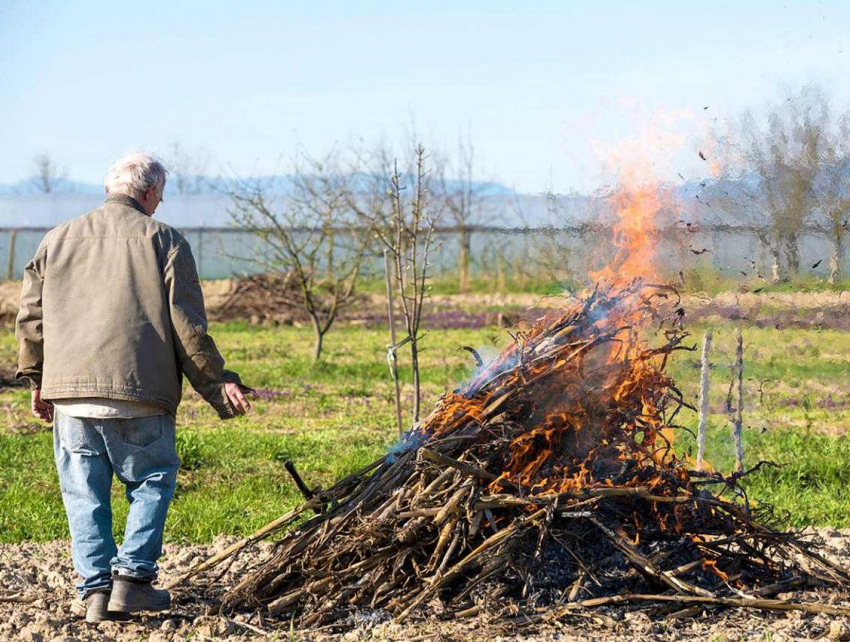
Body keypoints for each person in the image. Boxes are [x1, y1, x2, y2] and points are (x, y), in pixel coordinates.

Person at [15, 152, 252, 623]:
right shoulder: (164, 240)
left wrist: (38, 381)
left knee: (84, 495)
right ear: (147, 192)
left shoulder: (56, 239)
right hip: (140, 393)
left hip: (72, 398)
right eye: (160, 195)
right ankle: (134, 580)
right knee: (152, 480)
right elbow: (187, 326)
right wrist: (217, 382)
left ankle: (96, 593)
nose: (159, 204)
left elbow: (31, 320)